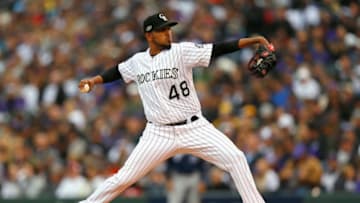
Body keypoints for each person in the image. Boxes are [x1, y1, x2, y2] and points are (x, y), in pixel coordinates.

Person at [78, 12, 272, 203]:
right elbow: (117, 72)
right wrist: (94, 81)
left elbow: (217, 49)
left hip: (194, 127)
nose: (168, 33)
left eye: (168, 29)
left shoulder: (181, 51)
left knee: (236, 158)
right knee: (124, 178)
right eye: (162, 30)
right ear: (149, 35)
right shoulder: (138, 61)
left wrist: (251, 40)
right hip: (158, 133)